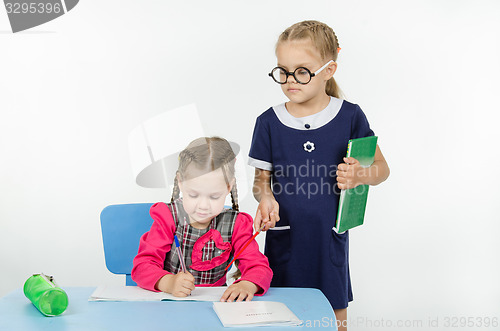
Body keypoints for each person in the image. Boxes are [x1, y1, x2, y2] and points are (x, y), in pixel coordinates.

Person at [248, 20, 390, 329]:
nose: (290, 80)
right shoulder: (268, 122)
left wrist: (360, 176)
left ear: (329, 70)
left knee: (333, 317)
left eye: (301, 71)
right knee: (281, 315)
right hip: (285, 239)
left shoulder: (350, 116)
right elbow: (261, 182)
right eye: (282, 71)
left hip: (328, 239)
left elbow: (382, 169)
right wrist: (266, 198)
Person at [132, 137, 272, 302]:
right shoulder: (168, 217)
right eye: (193, 195)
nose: (203, 206)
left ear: (228, 187)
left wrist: (248, 284)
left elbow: (259, 267)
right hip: (168, 304)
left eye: (214, 196)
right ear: (180, 182)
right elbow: (142, 267)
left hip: (214, 306)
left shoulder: (237, 224)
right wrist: (169, 283)